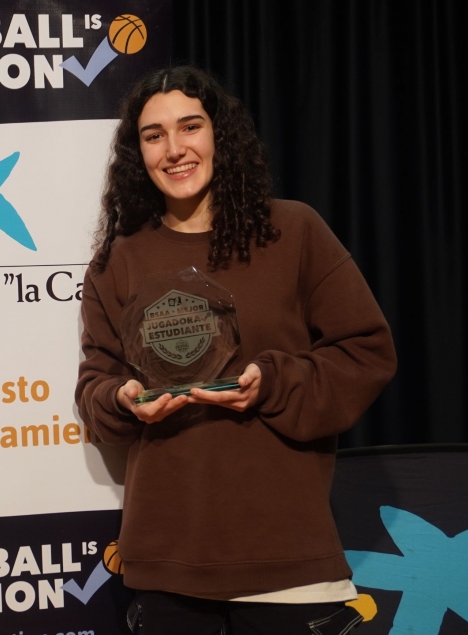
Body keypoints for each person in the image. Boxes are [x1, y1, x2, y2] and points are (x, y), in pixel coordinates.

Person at [76, 66, 396, 634]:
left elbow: (366, 352)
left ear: (219, 133)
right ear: (137, 153)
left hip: (286, 555)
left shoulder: (294, 231)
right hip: (166, 560)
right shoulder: (117, 261)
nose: (174, 149)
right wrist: (122, 399)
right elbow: (94, 384)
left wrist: (272, 383)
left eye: (190, 126)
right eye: (154, 135)